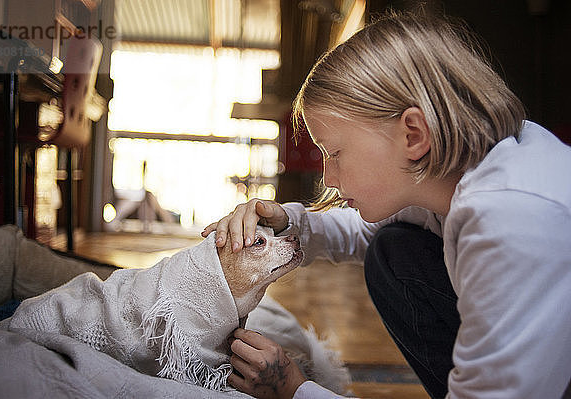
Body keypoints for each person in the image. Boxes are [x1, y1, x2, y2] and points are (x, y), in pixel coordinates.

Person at [201, 10, 571, 399]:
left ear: (413, 134)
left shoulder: (512, 221)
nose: (328, 177)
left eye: (335, 152)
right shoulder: (467, 170)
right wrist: (286, 222)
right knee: (394, 250)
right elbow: (363, 230)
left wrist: (295, 391)